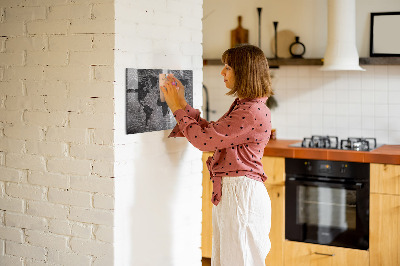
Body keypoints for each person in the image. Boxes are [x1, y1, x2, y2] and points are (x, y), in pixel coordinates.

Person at [161, 44, 273, 266]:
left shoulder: (250, 111)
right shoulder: (246, 106)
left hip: (241, 195)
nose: (222, 72)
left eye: (228, 67)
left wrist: (176, 107)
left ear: (244, 72)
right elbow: (212, 133)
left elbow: (204, 141)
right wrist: (182, 103)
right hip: (236, 193)